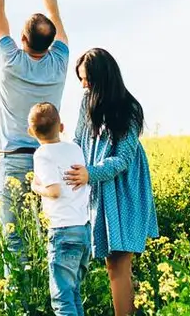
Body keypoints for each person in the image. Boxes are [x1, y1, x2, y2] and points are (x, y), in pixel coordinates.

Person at [0, 0, 69, 272]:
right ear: (51, 41)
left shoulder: (9, 59)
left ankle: (18, 297)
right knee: (50, 236)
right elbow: (54, 13)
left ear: (21, 39)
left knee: (14, 240)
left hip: (13, 159)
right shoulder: (59, 62)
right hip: (50, 159)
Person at [63, 48, 159, 316]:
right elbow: (78, 139)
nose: (84, 85)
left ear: (102, 77)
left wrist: (89, 174)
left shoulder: (129, 108)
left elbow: (123, 159)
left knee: (117, 264)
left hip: (125, 189)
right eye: (81, 79)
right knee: (116, 265)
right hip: (100, 187)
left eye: (87, 79)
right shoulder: (87, 102)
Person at [28, 102, 91, 316]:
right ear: (61, 127)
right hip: (83, 230)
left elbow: (54, 191)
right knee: (73, 293)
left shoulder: (42, 154)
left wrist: (36, 187)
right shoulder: (75, 149)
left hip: (63, 232)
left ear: (31, 132)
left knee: (62, 301)